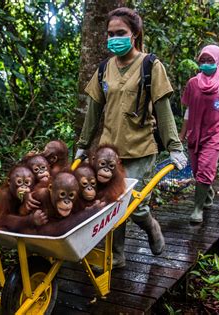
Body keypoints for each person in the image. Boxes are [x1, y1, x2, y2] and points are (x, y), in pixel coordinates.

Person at [75, 7, 187, 268]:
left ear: (134, 34)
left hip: (140, 149)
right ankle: (116, 255)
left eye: (120, 33)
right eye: (110, 34)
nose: (114, 38)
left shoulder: (150, 66)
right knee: (110, 205)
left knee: (134, 206)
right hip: (108, 153)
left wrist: (174, 147)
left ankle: (152, 228)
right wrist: (82, 146)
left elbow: (163, 109)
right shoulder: (104, 69)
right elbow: (93, 112)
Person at [179, 44, 219, 224]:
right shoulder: (192, 84)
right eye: (202, 60)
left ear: (218, 61)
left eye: (210, 60)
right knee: (198, 170)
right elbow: (188, 111)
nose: (205, 64)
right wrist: (181, 136)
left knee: (205, 168)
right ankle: (207, 191)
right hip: (195, 132)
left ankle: (197, 209)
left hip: (216, 133)